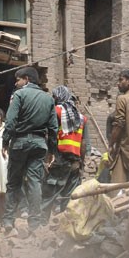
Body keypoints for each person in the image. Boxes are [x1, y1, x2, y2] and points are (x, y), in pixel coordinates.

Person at [2, 67, 58, 232]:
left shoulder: (19, 95)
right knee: (35, 183)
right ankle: (34, 223)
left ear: (26, 79)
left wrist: (5, 141)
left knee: (13, 183)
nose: (16, 83)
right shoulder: (48, 99)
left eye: (18, 79)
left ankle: (8, 221)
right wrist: (52, 150)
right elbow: (53, 128)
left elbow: (10, 121)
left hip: (19, 142)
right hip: (39, 144)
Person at [41, 86, 89, 222]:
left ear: (58, 97)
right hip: (75, 159)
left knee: (49, 191)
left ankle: (42, 223)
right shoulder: (81, 118)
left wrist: (49, 155)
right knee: (68, 194)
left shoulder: (56, 111)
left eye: (54, 97)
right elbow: (83, 144)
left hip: (60, 157)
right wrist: (81, 163)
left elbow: (51, 135)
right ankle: (65, 223)